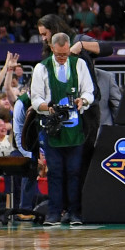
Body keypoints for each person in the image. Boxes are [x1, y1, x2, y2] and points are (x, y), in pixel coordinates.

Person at [30, 32, 95, 226]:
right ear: (52, 48)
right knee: (55, 171)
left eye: (65, 54)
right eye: (59, 55)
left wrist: (82, 100)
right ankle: (54, 213)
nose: (62, 58)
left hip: (75, 129)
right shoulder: (41, 68)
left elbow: (89, 92)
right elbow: (35, 99)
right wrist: (47, 107)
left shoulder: (79, 64)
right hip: (52, 128)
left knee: (75, 171)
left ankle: (74, 212)